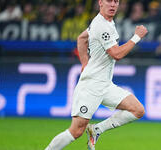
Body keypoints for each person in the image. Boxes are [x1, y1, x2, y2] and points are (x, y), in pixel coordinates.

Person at [45, 0, 148, 150]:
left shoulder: (105, 22)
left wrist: (85, 64)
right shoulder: (101, 25)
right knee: (76, 131)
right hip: (91, 85)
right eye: (109, 1)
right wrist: (136, 37)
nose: (113, 5)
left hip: (105, 84)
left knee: (137, 110)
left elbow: (81, 38)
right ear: (100, 2)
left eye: (116, 1)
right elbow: (116, 54)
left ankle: (96, 130)